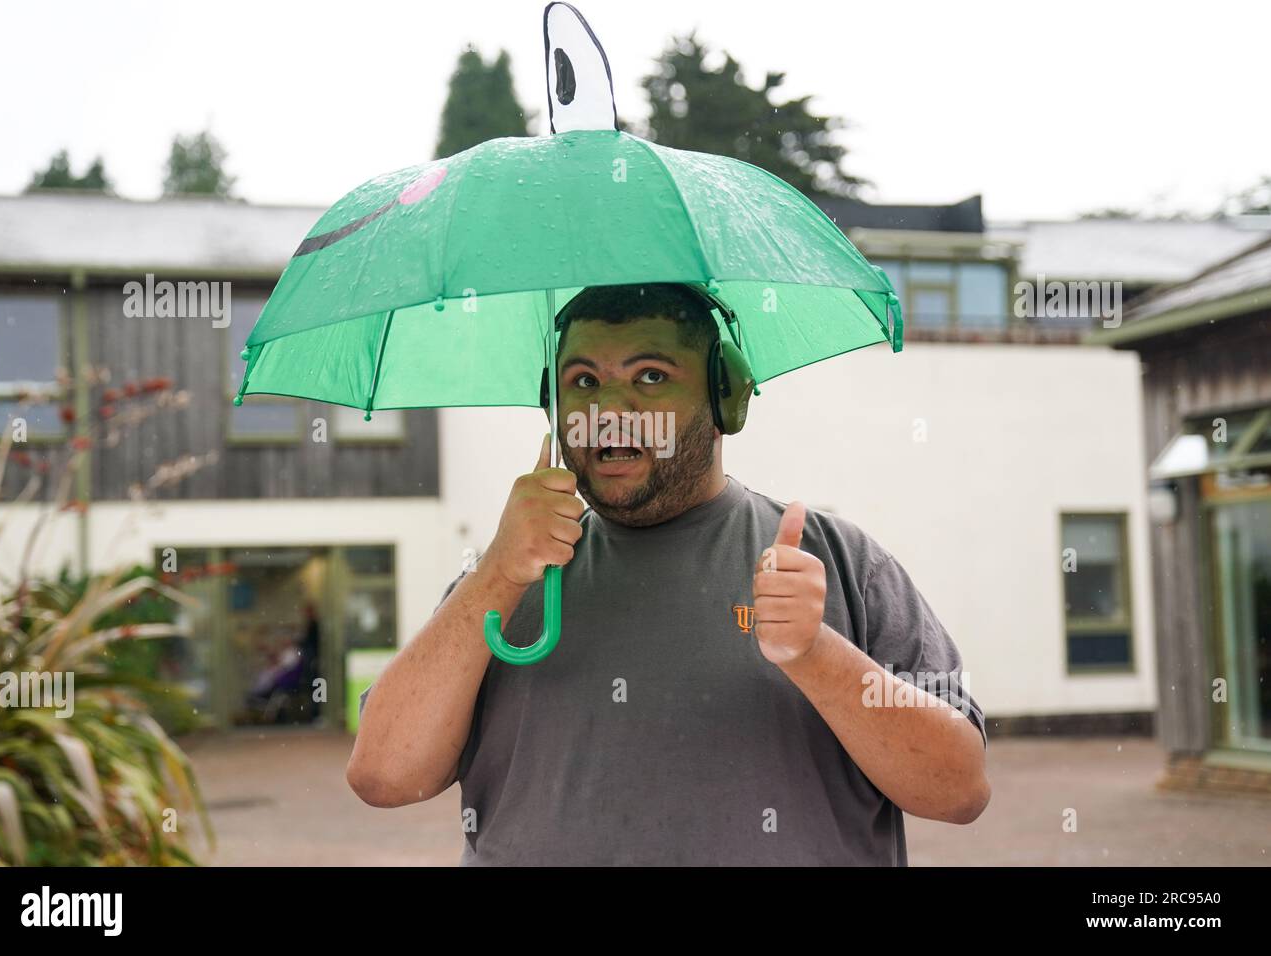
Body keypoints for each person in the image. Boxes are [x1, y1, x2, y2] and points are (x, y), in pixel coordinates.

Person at [347, 282, 989, 865]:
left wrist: (815, 653)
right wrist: (493, 574)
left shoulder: (840, 563)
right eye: (584, 382)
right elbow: (384, 775)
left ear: (724, 397)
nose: (611, 409)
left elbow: (958, 790)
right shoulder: (505, 582)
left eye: (650, 376)